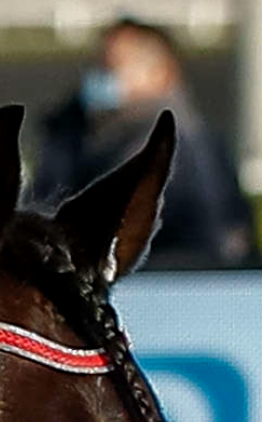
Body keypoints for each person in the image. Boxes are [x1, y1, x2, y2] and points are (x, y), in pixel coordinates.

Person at [30, 18, 249, 266]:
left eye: (112, 67)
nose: (100, 78)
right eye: (98, 66)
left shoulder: (172, 147)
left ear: (160, 74)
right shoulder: (80, 135)